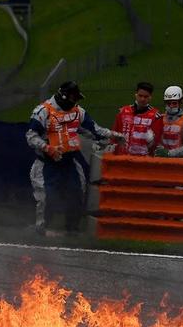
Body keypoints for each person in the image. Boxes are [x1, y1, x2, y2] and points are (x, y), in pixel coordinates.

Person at [26, 81, 124, 236]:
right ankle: (41, 227)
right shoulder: (43, 111)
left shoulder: (78, 112)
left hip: (69, 161)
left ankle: (72, 228)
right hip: (47, 163)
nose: (76, 101)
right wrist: (48, 148)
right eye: (73, 98)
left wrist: (113, 135)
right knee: (46, 195)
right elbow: (30, 136)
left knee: (77, 192)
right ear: (63, 96)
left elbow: (95, 130)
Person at [112, 82, 163, 156]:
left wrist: (152, 141)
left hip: (143, 161)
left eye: (146, 97)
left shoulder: (156, 116)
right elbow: (114, 134)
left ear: (150, 97)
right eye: (140, 95)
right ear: (136, 95)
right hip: (122, 158)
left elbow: (156, 142)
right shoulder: (123, 112)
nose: (142, 99)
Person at [154, 85, 183, 157]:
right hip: (161, 162)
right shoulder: (159, 119)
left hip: (180, 164)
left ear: (180, 102)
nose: (171, 106)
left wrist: (169, 153)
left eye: (174, 103)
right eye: (168, 103)